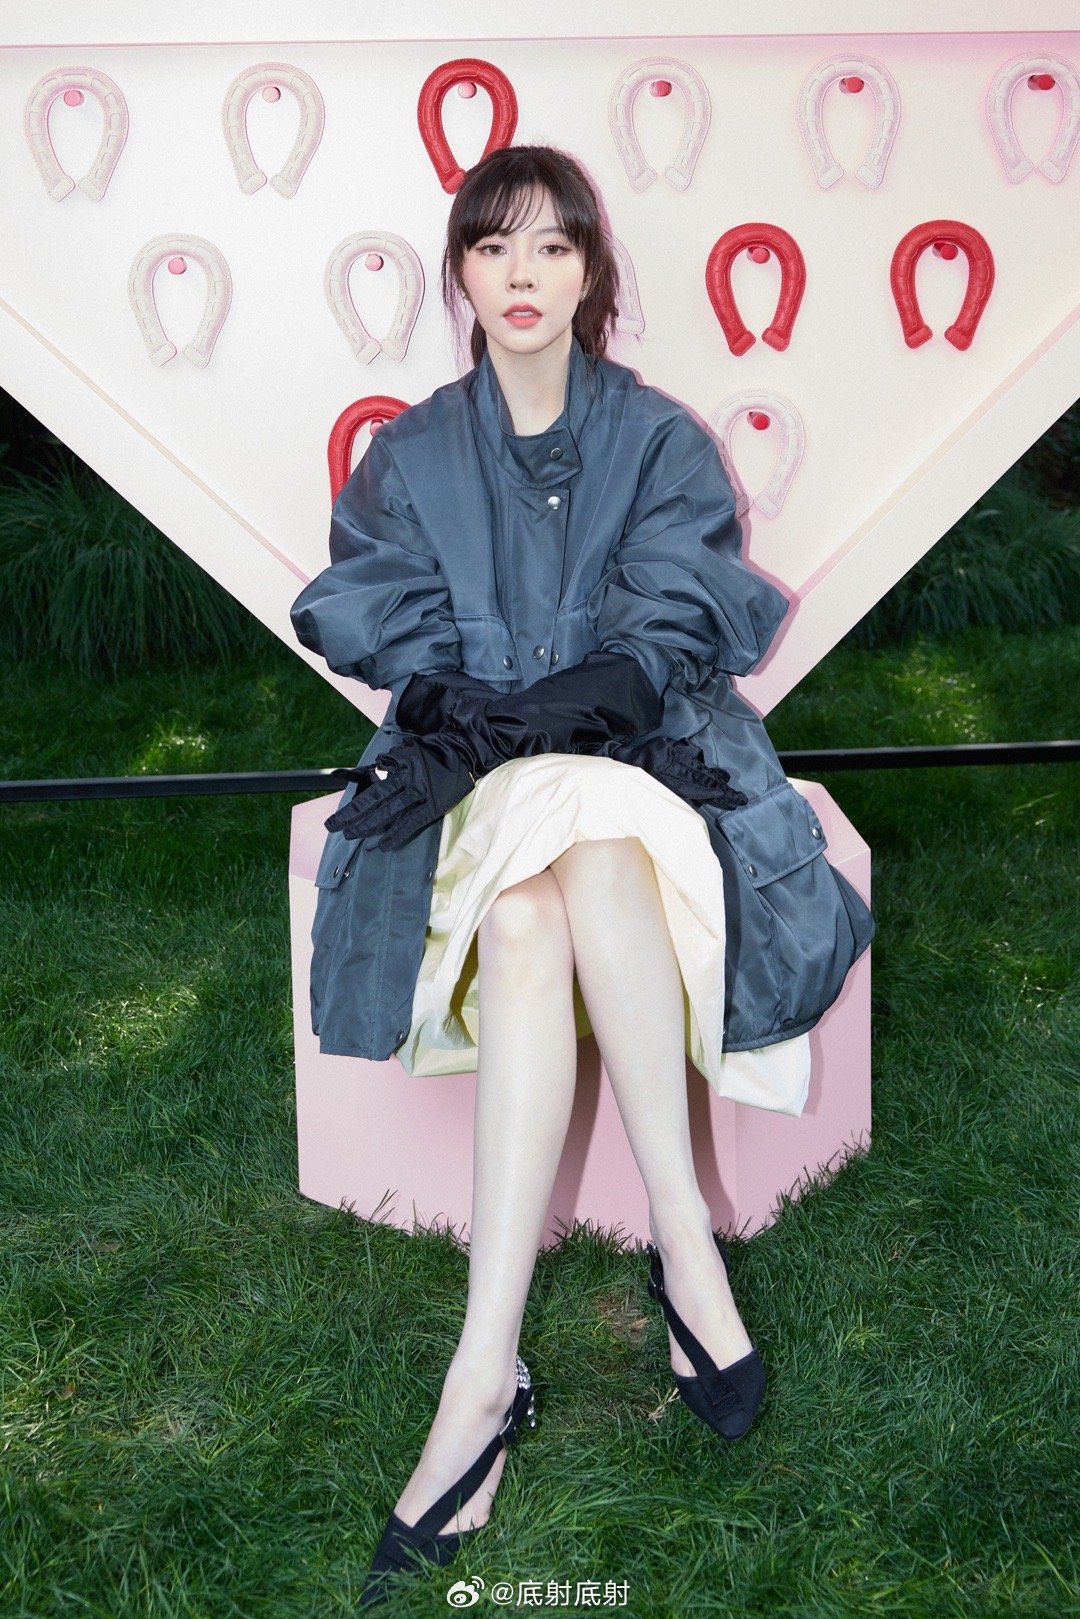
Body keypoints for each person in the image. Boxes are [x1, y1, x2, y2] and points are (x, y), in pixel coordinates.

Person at [290, 144, 874, 1606]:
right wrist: (470, 711)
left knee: (580, 854)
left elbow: (668, 631)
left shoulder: (661, 440)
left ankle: (486, 1376)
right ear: (461, 274)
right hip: (481, 792)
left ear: (592, 273)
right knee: (539, 877)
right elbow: (386, 618)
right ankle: (681, 1257)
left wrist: (558, 705)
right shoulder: (413, 453)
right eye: (494, 247)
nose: (524, 275)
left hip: (646, 768)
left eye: (553, 247)